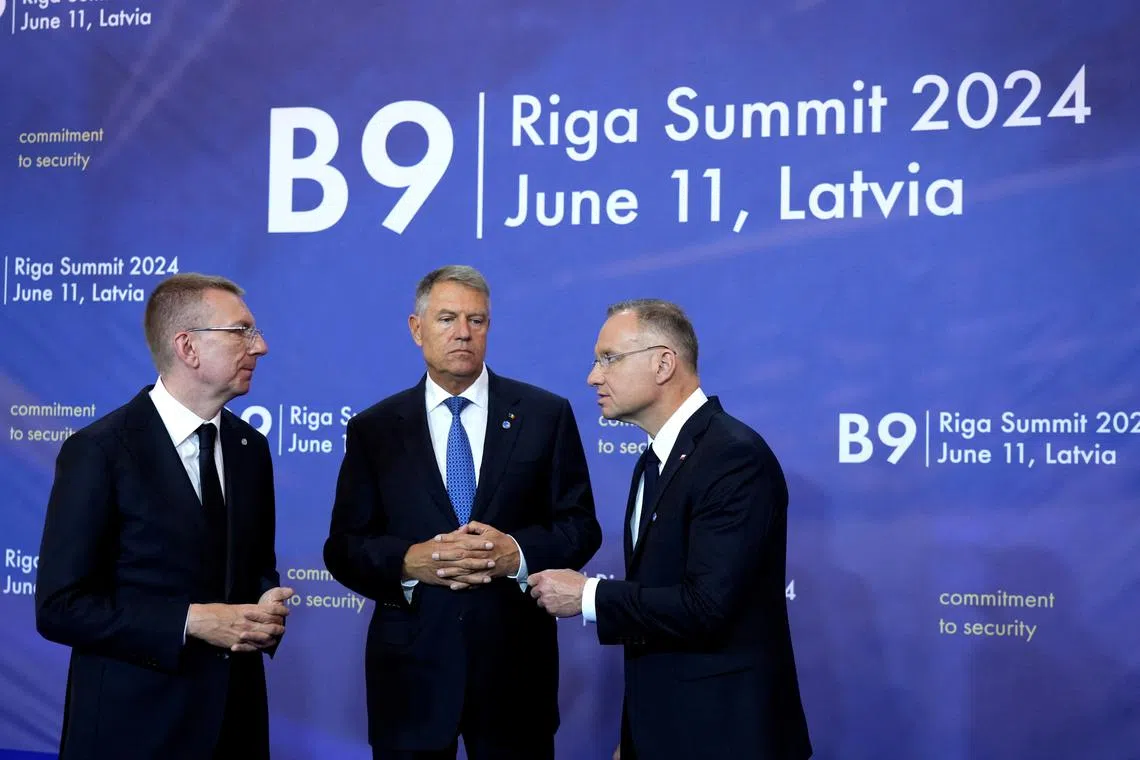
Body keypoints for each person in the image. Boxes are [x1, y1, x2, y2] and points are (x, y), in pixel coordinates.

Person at [324, 264, 601, 760]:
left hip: (515, 674)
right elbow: (344, 547)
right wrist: (410, 561)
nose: (463, 333)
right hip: (410, 680)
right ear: (417, 329)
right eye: (447, 318)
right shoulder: (375, 428)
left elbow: (580, 526)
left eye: (477, 321)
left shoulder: (545, 414)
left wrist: (514, 555)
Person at [528, 299, 812, 760]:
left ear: (663, 363)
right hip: (665, 732)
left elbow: (706, 607)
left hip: (726, 738)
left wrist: (587, 597)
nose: (593, 377)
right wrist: (638, 734)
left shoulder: (732, 458)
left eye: (609, 358)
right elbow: (657, 602)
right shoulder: (653, 462)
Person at [35, 273, 292, 760]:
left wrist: (264, 604)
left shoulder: (250, 449)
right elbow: (60, 607)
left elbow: (255, 563)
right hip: (134, 731)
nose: (261, 346)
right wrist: (190, 620)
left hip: (235, 729)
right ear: (188, 347)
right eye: (241, 332)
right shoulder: (100, 451)